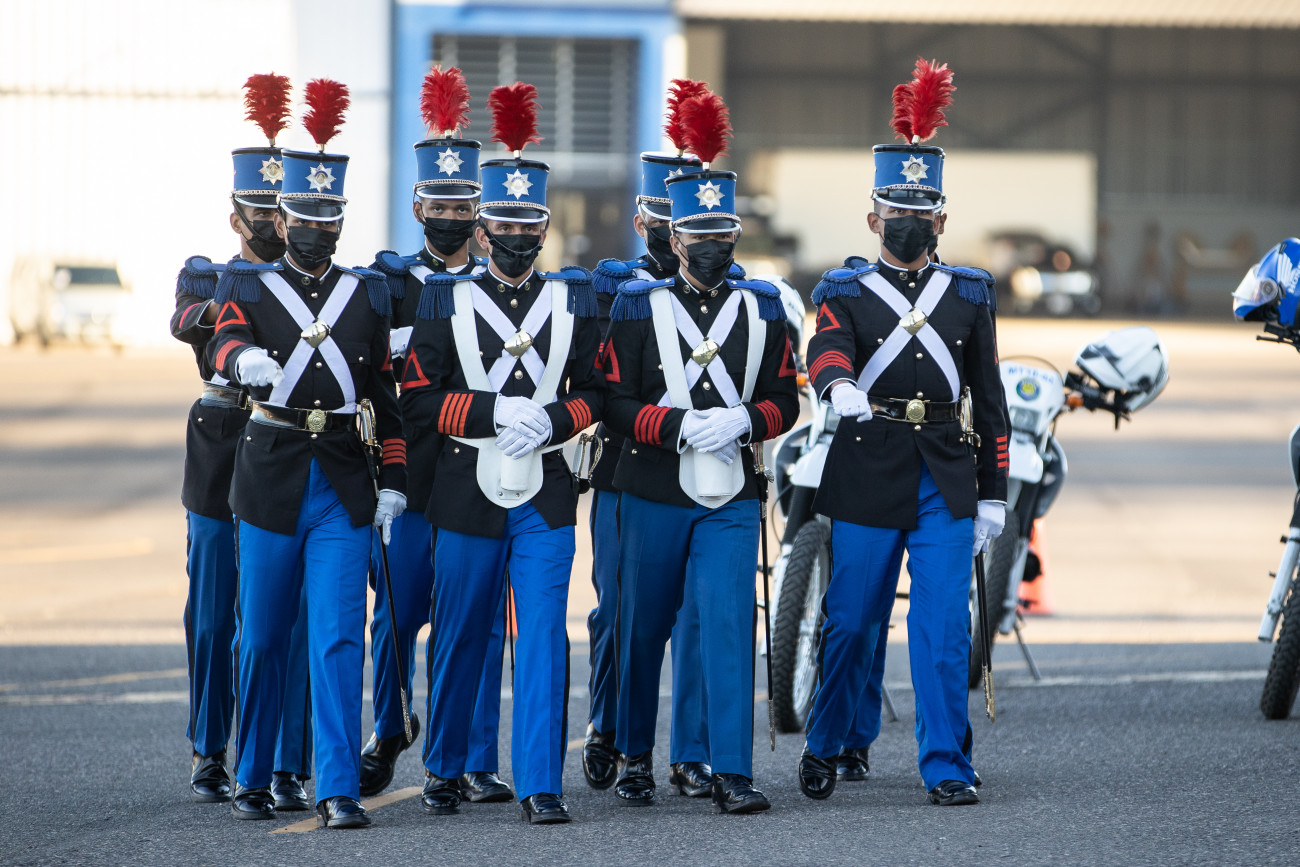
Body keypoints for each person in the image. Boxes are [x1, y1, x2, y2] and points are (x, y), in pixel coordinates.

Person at [797, 59, 1008, 807]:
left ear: (941, 220)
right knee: (853, 619)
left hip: (946, 470)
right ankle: (827, 740)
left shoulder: (969, 292)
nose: (908, 221)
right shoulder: (845, 289)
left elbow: (989, 398)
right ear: (873, 218)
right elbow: (826, 347)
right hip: (868, 458)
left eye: (921, 210)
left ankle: (945, 762)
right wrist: (838, 385)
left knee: (944, 626)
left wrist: (993, 492)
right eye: (895, 208)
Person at [399, 82, 602, 825]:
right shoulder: (441, 299)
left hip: (546, 485)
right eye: (504, 223)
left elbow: (599, 393)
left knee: (544, 635)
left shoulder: (574, 300)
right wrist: (490, 411)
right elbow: (417, 397)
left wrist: (551, 420)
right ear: (482, 231)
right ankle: (446, 765)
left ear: (544, 229)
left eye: (529, 223)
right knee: (459, 631)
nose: (517, 234)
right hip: (464, 484)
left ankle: (541, 782)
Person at [207, 78, 407, 829]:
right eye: (303, 218)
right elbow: (223, 338)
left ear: (340, 221)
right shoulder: (251, 285)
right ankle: (253, 773)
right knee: (262, 636)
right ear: (282, 218)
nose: (316, 230)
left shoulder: (366, 294)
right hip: (271, 471)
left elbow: (384, 395)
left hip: (343, 483)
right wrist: (241, 361)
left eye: (328, 219)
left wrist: (394, 478)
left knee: (337, 637)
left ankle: (337, 787)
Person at [602, 92, 800, 814]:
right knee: (642, 627)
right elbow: (615, 402)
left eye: (724, 231)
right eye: (698, 233)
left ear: (737, 233)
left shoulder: (763, 307)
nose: (713, 244)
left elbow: (786, 399)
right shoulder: (636, 307)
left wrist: (746, 420)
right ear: (675, 238)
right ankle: (633, 755)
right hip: (653, 486)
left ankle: (731, 770)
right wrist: (675, 426)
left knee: (726, 625)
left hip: (731, 490)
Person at [358, 66, 512, 806]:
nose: (451, 216)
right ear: (417, 205)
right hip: (409, 476)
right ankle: (390, 728)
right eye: (439, 204)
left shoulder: (498, 289)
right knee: (397, 613)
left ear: (480, 211)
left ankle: (475, 757)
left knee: (477, 621)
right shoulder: (386, 285)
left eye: (463, 205)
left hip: (478, 475)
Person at [585, 88, 739, 797]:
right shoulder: (613, 287)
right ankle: (611, 727)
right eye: (663, 216)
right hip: (628, 470)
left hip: (709, 468)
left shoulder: (735, 290)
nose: (675, 229)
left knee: (701, 617)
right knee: (622, 611)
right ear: (645, 221)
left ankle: (692, 751)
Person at [169, 73, 312, 811]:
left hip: (286, 447)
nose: (275, 224)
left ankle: (286, 758)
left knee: (285, 611)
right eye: (261, 211)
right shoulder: (212, 275)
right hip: (224, 440)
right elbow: (186, 320)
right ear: (237, 216)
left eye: (282, 211)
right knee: (213, 607)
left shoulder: (317, 282)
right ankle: (209, 749)